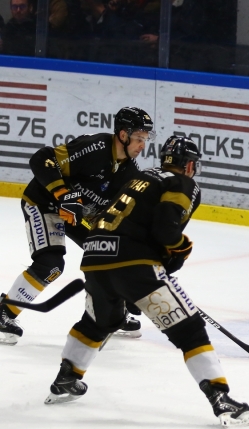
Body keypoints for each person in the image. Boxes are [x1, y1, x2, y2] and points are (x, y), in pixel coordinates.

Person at [42, 136, 249, 427]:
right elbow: (165, 231)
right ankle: (221, 399)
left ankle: (66, 379)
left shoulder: (139, 178)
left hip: (94, 258)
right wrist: (179, 249)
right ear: (190, 164)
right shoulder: (182, 183)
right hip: (135, 265)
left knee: (97, 323)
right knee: (190, 331)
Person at [0, 107, 154, 346]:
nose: (142, 145)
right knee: (51, 265)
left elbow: (115, 218)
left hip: (77, 216)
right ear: (123, 135)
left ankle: (114, 312)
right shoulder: (95, 147)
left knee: (112, 256)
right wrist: (63, 194)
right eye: (139, 138)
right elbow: (42, 159)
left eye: (145, 139)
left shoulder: (129, 174)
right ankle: (5, 313)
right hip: (45, 204)